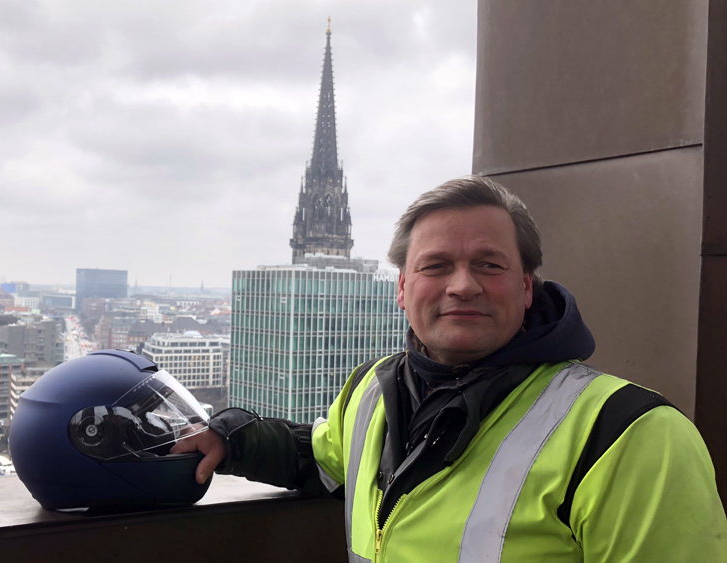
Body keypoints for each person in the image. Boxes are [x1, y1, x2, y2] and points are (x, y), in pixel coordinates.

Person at [171, 175, 727, 562]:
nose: (463, 285)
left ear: (527, 288)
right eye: (436, 266)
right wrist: (231, 439)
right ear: (403, 289)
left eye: (489, 264)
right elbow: (320, 459)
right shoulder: (371, 391)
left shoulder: (631, 435)